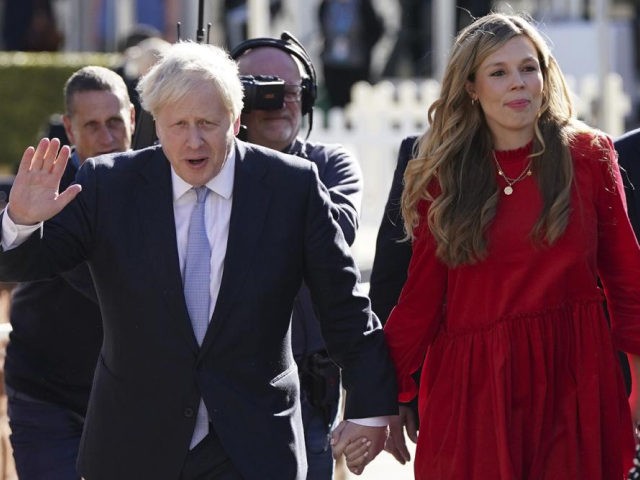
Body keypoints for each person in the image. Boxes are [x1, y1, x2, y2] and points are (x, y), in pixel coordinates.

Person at [0, 41, 397, 479]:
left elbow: (343, 304)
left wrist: (372, 409)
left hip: (254, 447)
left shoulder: (291, 188)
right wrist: (19, 221)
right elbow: (26, 263)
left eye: (208, 123)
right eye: (179, 125)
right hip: (134, 448)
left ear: (237, 119)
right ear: (155, 123)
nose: (194, 140)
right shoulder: (109, 185)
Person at [351, 12, 640, 479]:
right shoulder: (443, 173)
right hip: (474, 392)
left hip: (575, 382)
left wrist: (638, 391)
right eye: (499, 73)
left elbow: (628, 280)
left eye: (529, 68)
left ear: (546, 77)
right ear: (471, 86)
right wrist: (381, 398)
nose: (518, 84)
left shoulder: (589, 155)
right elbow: (420, 302)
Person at [231, 32, 363, 479]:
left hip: (311, 384)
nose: (279, 102)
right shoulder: (204, 169)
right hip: (227, 381)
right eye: (262, 90)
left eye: (291, 91)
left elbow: (335, 235)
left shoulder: (331, 165)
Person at [4, 65, 135, 480]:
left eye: (115, 121)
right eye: (92, 125)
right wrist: (19, 220)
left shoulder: (164, 184)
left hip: (131, 402)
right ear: (69, 128)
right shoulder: (39, 187)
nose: (107, 137)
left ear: (133, 118)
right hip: (47, 398)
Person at [317, 0, 384, 108]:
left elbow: (376, 29)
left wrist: (365, 48)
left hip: (357, 64)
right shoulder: (327, 4)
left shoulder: (363, 4)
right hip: (332, 64)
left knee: (357, 101)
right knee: (336, 103)